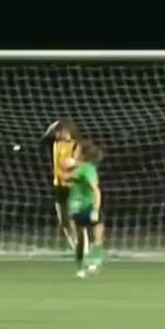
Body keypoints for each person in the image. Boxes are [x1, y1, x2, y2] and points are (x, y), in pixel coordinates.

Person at [68, 141, 105, 278]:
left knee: (80, 240)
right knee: (98, 237)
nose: (73, 152)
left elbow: (68, 179)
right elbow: (96, 190)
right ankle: (95, 264)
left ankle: (80, 269)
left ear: (82, 154)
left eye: (76, 150)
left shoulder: (77, 169)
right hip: (88, 207)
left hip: (75, 208)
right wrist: (96, 209)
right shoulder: (88, 169)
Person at [44, 119, 80, 249]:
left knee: (74, 218)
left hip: (72, 186)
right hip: (58, 186)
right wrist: (53, 126)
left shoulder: (76, 145)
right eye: (56, 131)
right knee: (63, 221)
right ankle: (75, 246)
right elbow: (43, 139)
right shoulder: (55, 143)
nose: (56, 133)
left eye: (59, 130)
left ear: (67, 130)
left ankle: (82, 246)